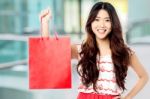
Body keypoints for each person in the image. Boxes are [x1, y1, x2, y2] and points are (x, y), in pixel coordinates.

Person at [39, 2, 148, 99]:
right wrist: (45, 23)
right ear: (90, 23)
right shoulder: (81, 49)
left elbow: (144, 77)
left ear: (113, 24)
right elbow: (50, 51)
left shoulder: (124, 52)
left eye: (107, 20)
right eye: (96, 20)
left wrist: (127, 98)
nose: (101, 25)